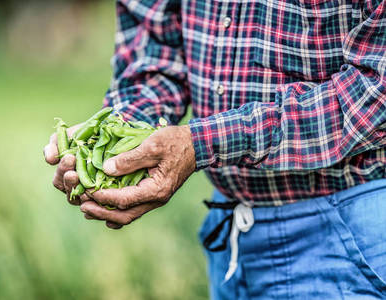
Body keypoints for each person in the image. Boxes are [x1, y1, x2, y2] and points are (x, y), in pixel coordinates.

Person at [44, 0, 386, 298]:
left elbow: (374, 91)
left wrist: (201, 143)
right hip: (232, 231)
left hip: (345, 235)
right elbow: (154, 53)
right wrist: (122, 140)